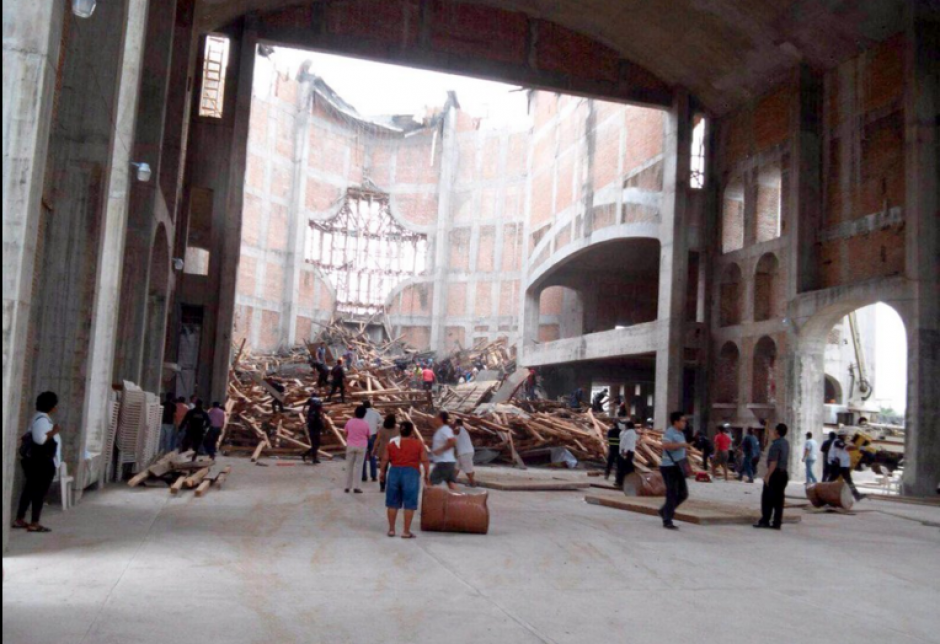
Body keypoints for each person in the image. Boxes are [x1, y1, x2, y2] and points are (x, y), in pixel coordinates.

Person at [13, 392, 62, 533]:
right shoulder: (42, 420)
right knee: (38, 493)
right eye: (55, 404)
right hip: (41, 463)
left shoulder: (41, 418)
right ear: (51, 406)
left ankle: (20, 519)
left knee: (29, 490)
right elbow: (40, 440)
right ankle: (34, 523)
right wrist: (54, 431)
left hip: (38, 462)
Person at [381, 421, 430, 539]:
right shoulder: (418, 444)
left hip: (394, 472)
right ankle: (406, 531)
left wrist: (382, 472)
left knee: (392, 503)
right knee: (409, 503)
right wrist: (426, 474)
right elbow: (424, 460)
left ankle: (391, 530)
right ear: (412, 431)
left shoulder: (391, 444)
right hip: (411, 473)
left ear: (400, 432)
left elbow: (385, 459)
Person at [659, 411, 691, 531]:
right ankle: (667, 519)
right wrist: (681, 445)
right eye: (682, 421)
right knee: (672, 493)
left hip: (678, 466)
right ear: (676, 422)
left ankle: (664, 510)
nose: (684, 423)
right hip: (669, 466)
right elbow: (665, 446)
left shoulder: (681, 433)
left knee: (683, 493)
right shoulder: (670, 432)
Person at [755, 423, 790, 530]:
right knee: (779, 499)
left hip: (775, 474)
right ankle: (777, 522)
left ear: (777, 432)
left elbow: (774, 462)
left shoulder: (776, 445)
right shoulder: (786, 443)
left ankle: (765, 520)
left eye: (774, 430)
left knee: (767, 498)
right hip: (783, 473)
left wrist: (768, 476)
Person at [827, 428, 865, 501]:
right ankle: (823, 491)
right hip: (837, 465)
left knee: (848, 480)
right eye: (845, 435)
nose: (846, 436)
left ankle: (857, 495)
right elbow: (847, 448)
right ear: (841, 435)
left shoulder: (841, 442)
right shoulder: (838, 442)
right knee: (831, 479)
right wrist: (859, 447)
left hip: (843, 465)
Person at [342, 406, 371, 494]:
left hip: (351, 445)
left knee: (349, 465)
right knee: (359, 466)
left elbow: (345, 433)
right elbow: (368, 436)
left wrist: (348, 439)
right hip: (362, 446)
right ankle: (357, 487)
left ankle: (347, 486)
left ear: (355, 412)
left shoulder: (349, 422)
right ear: (364, 414)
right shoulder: (365, 424)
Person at [429, 411, 458, 490]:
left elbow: (452, 441)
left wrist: (440, 450)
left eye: (435, 418)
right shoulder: (441, 430)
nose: (434, 419)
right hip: (447, 461)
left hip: (444, 461)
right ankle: (461, 499)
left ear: (440, 419)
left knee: (430, 482)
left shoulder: (445, 429)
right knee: (451, 483)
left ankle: (430, 500)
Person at [375, 414, 400, 492]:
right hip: (395, 451)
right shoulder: (398, 429)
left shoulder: (382, 429)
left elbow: (377, 440)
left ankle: (382, 486)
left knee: (383, 470)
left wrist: (374, 449)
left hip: (383, 451)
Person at [362, 401, 383, 484]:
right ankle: (373, 476)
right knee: (372, 456)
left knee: (363, 457)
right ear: (370, 406)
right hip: (373, 435)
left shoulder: (362, 414)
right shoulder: (375, 413)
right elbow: (382, 422)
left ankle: (363, 476)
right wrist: (377, 428)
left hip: (363, 436)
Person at [454, 419, 477, 487]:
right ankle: (452, 481)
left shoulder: (458, 429)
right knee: (456, 468)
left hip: (465, 453)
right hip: (464, 452)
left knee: (468, 470)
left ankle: (473, 483)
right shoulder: (463, 429)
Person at [302, 395, 324, 464]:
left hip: (315, 429)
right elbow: (314, 421)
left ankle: (305, 454)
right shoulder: (313, 413)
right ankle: (314, 459)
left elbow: (305, 405)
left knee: (317, 444)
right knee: (315, 444)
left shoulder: (314, 410)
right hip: (313, 429)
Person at [616, 421, 638, 488]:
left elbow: (626, 443)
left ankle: (620, 482)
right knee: (627, 467)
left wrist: (624, 451)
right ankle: (625, 481)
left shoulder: (629, 433)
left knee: (623, 467)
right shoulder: (630, 432)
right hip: (628, 451)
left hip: (626, 452)